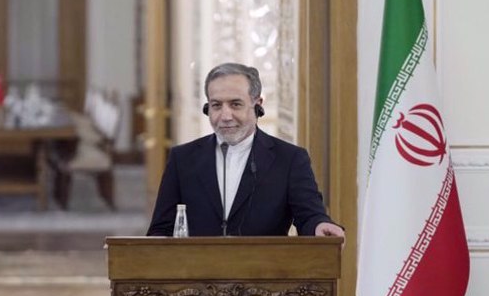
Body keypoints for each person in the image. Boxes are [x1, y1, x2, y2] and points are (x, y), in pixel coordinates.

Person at [147, 63, 345, 240]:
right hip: (194, 277)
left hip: (265, 276)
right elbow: (160, 230)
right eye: (216, 105)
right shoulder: (182, 159)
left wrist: (320, 224)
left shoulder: (290, 159)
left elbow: (309, 215)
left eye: (235, 104)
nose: (225, 116)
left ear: (257, 106)